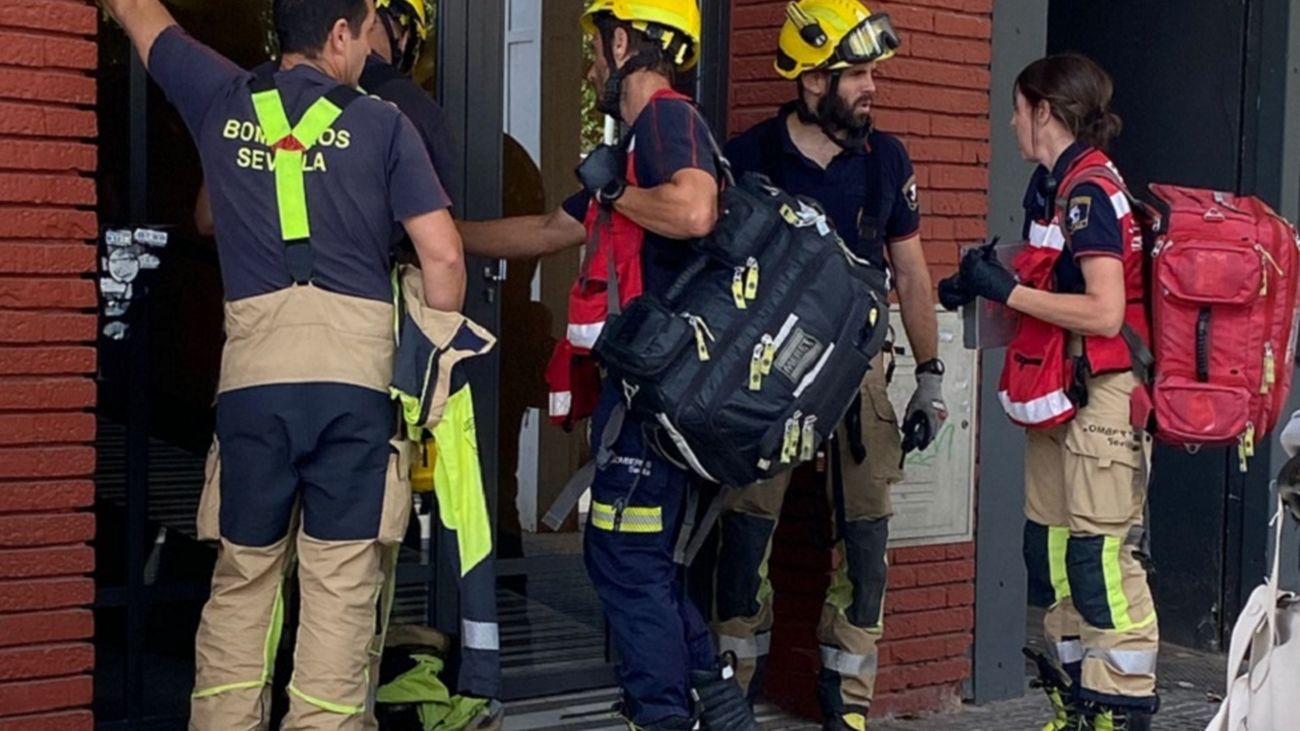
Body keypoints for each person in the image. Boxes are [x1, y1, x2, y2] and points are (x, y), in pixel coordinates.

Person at [97, 1, 466, 729]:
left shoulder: (222, 95)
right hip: (354, 392)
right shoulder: (386, 124)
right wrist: (430, 366)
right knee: (340, 588)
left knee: (243, 581)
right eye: (366, 31)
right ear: (339, 34)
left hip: (253, 388)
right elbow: (445, 257)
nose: (370, 51)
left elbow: (139, 14)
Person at [457, 3, 753, 728]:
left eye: (594, 50)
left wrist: (616, 189)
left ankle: (662, 715)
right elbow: (546, 230)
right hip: (652, 397)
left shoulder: (666, 121)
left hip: (656, 400)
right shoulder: (634, 147)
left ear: (622, 42)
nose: (591, 69)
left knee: (626, 560)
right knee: (639, 560)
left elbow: (694, 211)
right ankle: (714, 702)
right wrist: (436, 234)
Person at [712, 3, 945, 728]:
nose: (873, 86)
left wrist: (930, 376)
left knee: (867, 540)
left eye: (874, 72)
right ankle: (734, 690)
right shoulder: (748, 157)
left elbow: (911, 274)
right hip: (766, 378)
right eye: (859, 73)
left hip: (859, 373)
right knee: (745, 533)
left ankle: (847, 702)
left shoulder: (887, 161)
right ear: (814, 79)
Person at [940, 53, 1157, 731]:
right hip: (1063, 391)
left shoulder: (1089, 192)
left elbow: (1103, 311)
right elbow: (1047, 278)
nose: (1011, 122)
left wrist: (1008, 292)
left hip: (1103, 394)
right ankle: (1077, 705)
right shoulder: (1052, 185)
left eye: (1017, 109)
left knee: (1099, 560)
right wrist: (980, 285)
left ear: (1045, 111)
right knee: (1053, 555)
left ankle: (1118, 710)